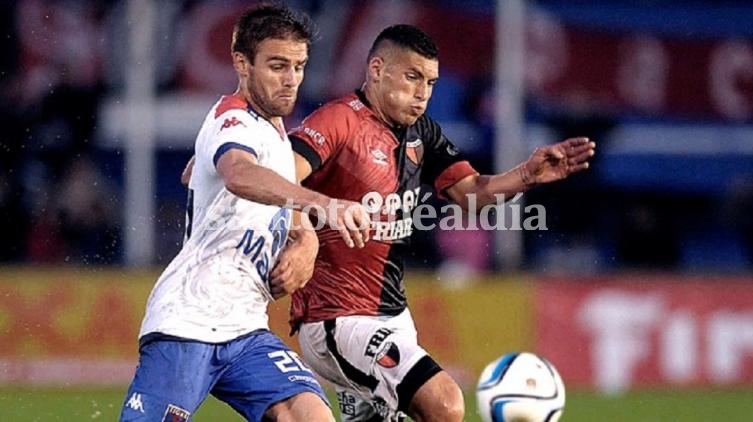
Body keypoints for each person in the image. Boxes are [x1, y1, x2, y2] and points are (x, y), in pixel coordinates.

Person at [287, 24, 596, 421]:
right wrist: (301, 235)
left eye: (431, 82)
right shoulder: (337, 122)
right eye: (412, 77)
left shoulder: (423, 133)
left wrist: (528, 175)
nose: (422, 94)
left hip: (393, 317)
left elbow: (473, 194)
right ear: (378, 69)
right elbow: (282, 177)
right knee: (445, 403)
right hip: (338, 317)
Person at [119, 5, 369, 422]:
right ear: (241, 62)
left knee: (311, 417)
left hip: (246, 330)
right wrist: (324, 205)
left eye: (299, 66)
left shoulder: (270, 132)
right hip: (189, 322)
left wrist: (305, 239)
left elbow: (208, 175)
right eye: (277, 66)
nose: (291, 80)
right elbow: (237, 174)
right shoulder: (233, 118)